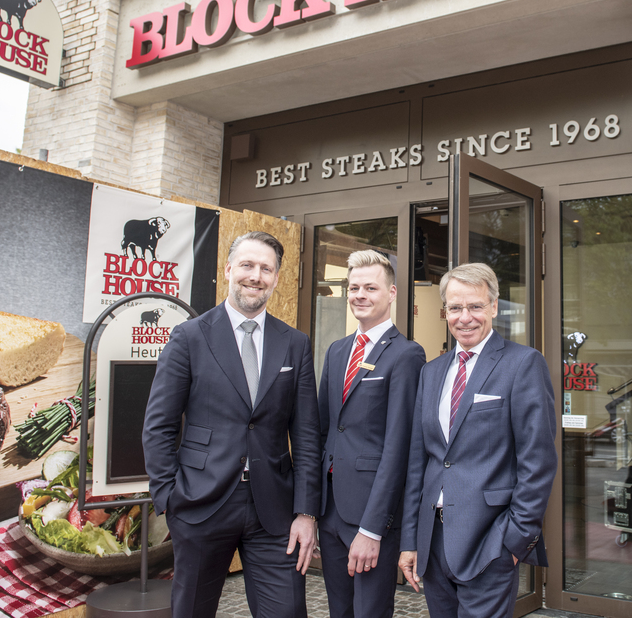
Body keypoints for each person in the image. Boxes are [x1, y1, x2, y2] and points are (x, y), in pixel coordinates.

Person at [142, 231, 320, 618]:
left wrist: (306, 513)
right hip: (201, 503)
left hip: (275, 510)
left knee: (287, 611)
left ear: (275, 277)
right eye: (247, 265)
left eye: (266, 269)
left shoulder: (294, 343)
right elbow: (159, 425)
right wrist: (169, 498)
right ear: (228, 270)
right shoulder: (189, 337)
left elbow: (306, 435)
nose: (256, 276)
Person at [398, 262, 557, 618]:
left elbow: (538, 461)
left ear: (494, 307)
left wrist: (515, 542)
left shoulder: (523, 364)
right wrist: (410, 540)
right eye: (455, 308)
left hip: (490, 542)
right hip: (433, 542)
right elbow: (419, 462)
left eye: (475, 306)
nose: (464, 317)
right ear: (444, 312)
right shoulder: (431, 372)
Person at [318, 250, 426, 618]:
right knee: (339, 611)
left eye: (370, 288)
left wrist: (373, 529)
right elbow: (325, 429)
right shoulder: (336, 351)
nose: (359, 295)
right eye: (353, 287)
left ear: (392, 293)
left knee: (370, 612)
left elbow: (400, 448)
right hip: (330, 511)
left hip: (370, 516)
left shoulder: (407, 355)